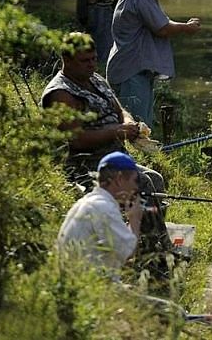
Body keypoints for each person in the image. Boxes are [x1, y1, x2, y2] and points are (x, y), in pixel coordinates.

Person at [41, 32, 172, 272]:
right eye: (85, 60)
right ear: (67, 60)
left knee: (155, 178)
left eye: (93, 59)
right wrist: (116, 132)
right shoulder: (60, 94)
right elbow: (76, 139)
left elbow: (119, 110)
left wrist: (129, 124)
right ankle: (155, 261)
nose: (92, 64)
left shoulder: (95, 79)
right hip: (85, 166)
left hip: (114, 159)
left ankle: (150, 247)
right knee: (142, 183)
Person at [107, 0, 201, 126]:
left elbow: (158, 23)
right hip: (132, 73)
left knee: (138, 127)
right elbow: (162, 29)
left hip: (130, 69)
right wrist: (186, 28)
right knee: (137, 129)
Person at [57, 151, 143, 280]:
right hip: (88, 287)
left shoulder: (85, 202)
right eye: (135, 181)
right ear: (119, 179)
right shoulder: (105, 208)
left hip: (73, 283)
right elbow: (128, 258)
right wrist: (135, 219)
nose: (136, 187)